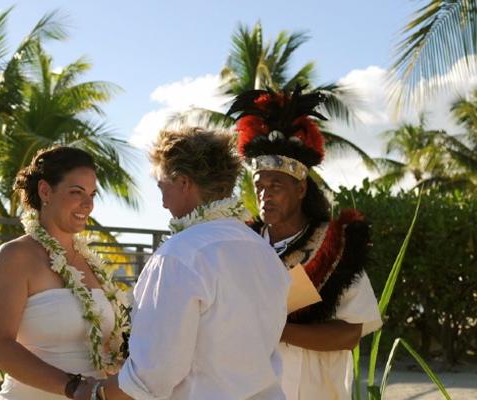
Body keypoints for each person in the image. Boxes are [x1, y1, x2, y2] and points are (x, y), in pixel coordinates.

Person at [73, 127, 292, 400]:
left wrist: (96, 393)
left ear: (184, 183)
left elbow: (155, 373)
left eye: (161, 185)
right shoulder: (264, 252)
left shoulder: (178, 255)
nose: (162, 202)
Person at [227, 85, 383, 400]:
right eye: (259, 185)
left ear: (300, 189)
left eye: (276, 185)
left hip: (314, 390)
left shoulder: (334, 246)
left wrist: (276, 329)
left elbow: (351, 333)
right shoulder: (239, 244)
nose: (265, 194)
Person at [0, 145, 130, 400]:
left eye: (92, 194)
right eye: (76, 192)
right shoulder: (15, 256)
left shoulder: (91, 264)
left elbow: (101, 346)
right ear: (45, 190)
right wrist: (74, 387)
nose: (88, 204)